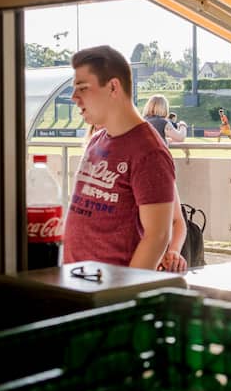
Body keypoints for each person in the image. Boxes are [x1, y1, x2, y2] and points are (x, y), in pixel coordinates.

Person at [62, 45, 177, 271]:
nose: (74, 98)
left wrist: (122, 295)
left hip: (109, 294)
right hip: (78, 286)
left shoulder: (149, 152)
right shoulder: (97, 140)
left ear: (113, 87)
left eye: (83, 88)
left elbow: (158, 236)